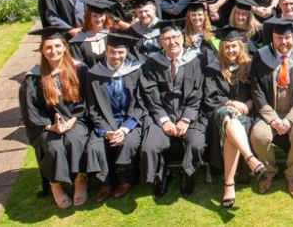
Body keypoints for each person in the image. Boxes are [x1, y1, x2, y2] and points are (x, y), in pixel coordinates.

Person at [19, 27, 90, 208]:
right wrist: (51, 126)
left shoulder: (79, 69)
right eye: (48, 47)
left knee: (75, 139)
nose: (54, 51)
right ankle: (55, 185)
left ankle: (79, 179)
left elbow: (86, 100)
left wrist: (72, 120)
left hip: (76, 119)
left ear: (65, 47)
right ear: (42, 50)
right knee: (54, 145)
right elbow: (31, 110)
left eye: (57, 46)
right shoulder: (33, 78)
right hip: (48, 125)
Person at [249, 19, 293, 198]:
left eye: (287, 37)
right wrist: (272, 119)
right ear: (272, 37)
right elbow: (256, 89)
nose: (283, 42)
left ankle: (292, 174)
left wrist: (289, 119)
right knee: (259, 136)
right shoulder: (261, 55)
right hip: (270, 110)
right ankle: (269, 171)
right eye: (279, 37)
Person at [140, 22, 207, 199]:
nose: (172, 42)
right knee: (150, 146)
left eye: (175, 37)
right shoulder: (153, 62)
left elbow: (198, 93)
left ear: (183, 38)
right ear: (160, 42)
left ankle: (186, 174)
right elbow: (150, 94)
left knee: (197, 143)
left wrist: (185, 120)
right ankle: (161, 175)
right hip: (161, 117)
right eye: (166, 39)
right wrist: (164, 120)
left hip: (190, 116)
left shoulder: (196, 60)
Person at [203, 27, 266, 208]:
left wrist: (245, 106)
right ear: (222, 48)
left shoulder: (250, 66)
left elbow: (257, 93)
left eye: (234, 47)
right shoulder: (212, 68)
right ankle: (250, 159)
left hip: (245, 115)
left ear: (240, 47)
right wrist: (231, 104)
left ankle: (228, 185)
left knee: (233, 124)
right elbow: (210, 98)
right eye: (227, 47)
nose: (231, 50)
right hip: (218, 113)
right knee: (228, 118)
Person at [85, 32, 145, 203]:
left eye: (120, 52)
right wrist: (107, 131)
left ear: (126, 52)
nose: (116, 56)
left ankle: (128, 180)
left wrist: (124, 129)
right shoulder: (93, 74)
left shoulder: (135, 70)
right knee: (95, 147)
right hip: (104, 124)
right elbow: (92, 108)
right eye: (112, 52)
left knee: (130, 142)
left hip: (130, 122)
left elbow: (140, 104)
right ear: (106, 52)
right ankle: (107, 183)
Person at [69, 0, 114, 68]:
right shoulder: (78, 42)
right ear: (89, 17)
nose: (99, 19)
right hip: (88, 77)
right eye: (95, 16)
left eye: (101, 15)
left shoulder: (111, 35)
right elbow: (78, 66)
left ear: (106, 16)